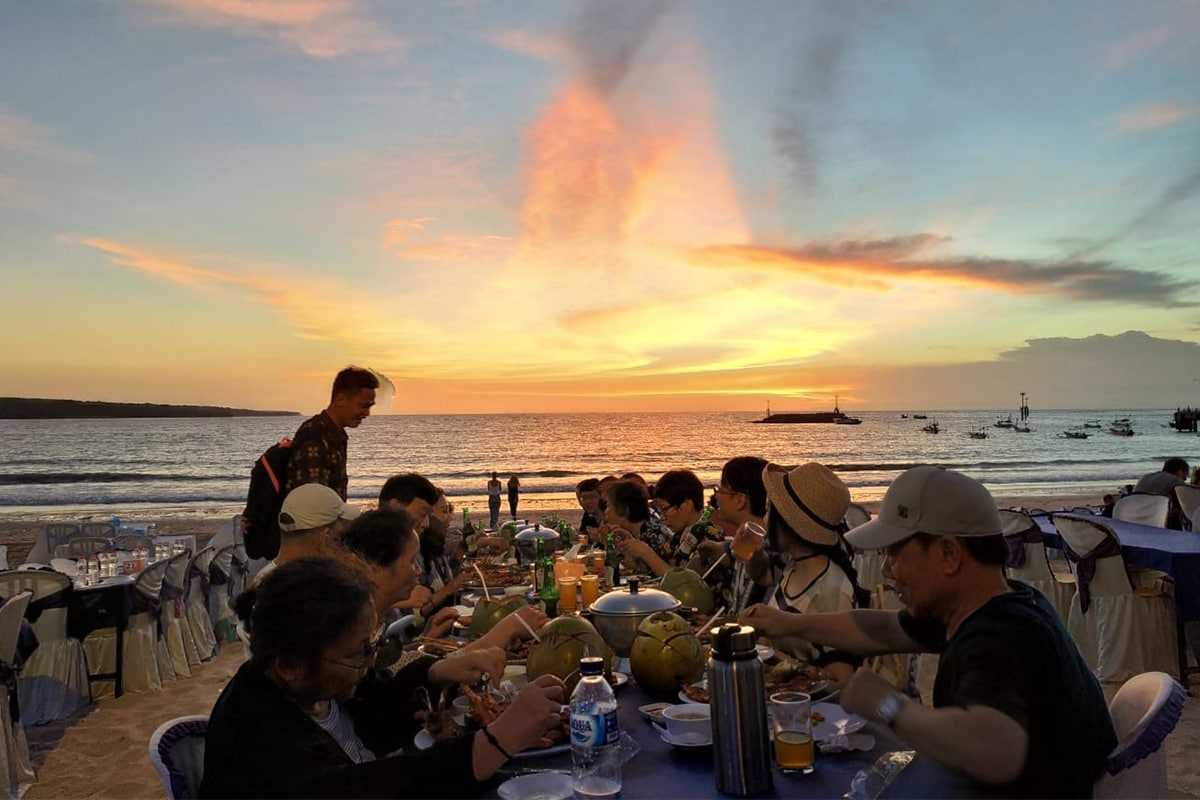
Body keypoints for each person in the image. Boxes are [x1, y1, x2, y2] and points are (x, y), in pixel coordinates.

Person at [739, 465, 1116, 798]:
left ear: (949, 554)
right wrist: (791, 623)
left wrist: (888, 705)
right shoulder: (995, 602)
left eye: (896, 554)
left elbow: (998, 753)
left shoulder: (999, 637)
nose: (887, 571)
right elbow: (884, 630)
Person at [201, 558, 566, 799]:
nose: (368, 661)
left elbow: (376, 711)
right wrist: (498, 739)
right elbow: (383, 790)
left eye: (369, 644)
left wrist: (438, 672)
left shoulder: (312, 687)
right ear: (288, 666)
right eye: (356, 654)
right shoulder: (262, 739)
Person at [753, 462, 868, 686]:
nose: (764, 520)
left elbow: (840, 681)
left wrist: (774, 656)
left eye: (769, 510)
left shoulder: (829, 591)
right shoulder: (795, 566)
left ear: (789, 523)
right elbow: (761, 576)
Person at [693, 456, 776, 614]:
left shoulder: (765, 553)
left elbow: (753, 619)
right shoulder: (748, 539)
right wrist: (716, 547)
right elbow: (733, 551)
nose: (716, 496)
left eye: (721, 490)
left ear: (740, 500)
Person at [285, 366, 379, 500]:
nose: (367, 413)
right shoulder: (314, 435)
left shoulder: (337, 435)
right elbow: (312, 501)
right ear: (341, 399)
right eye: (364, 406)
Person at [616, 469, 723, 577]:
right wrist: (631, 547)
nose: (662, 517)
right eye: (660, 511)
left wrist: (645, 552)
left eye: (664, 509)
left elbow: (682, 583)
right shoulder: (678, 536)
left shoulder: (705, 536)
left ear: (687, 505)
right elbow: (655, 572)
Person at [257, 482, 361, 583]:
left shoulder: (261, 580)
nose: (343, 531)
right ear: (325, 536)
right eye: (341, 523)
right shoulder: (324, 587)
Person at [1133, 457, 1190, 528]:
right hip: (1157, 519)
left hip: (1133, 515)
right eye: (1185, 474)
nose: (1185, 478)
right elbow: (1188, 502)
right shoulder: (1175, 480)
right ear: (1180, 470)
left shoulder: (1145, 477)